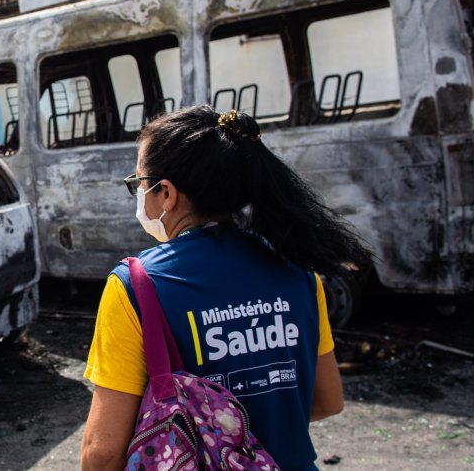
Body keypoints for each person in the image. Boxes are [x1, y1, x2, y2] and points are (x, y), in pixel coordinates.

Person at [81, 106, 371, 471]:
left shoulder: (136, 286)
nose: (139, 194)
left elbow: (103, 451)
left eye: (138, 184)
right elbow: (328, 401)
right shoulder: (300, 271)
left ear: (166, 193)